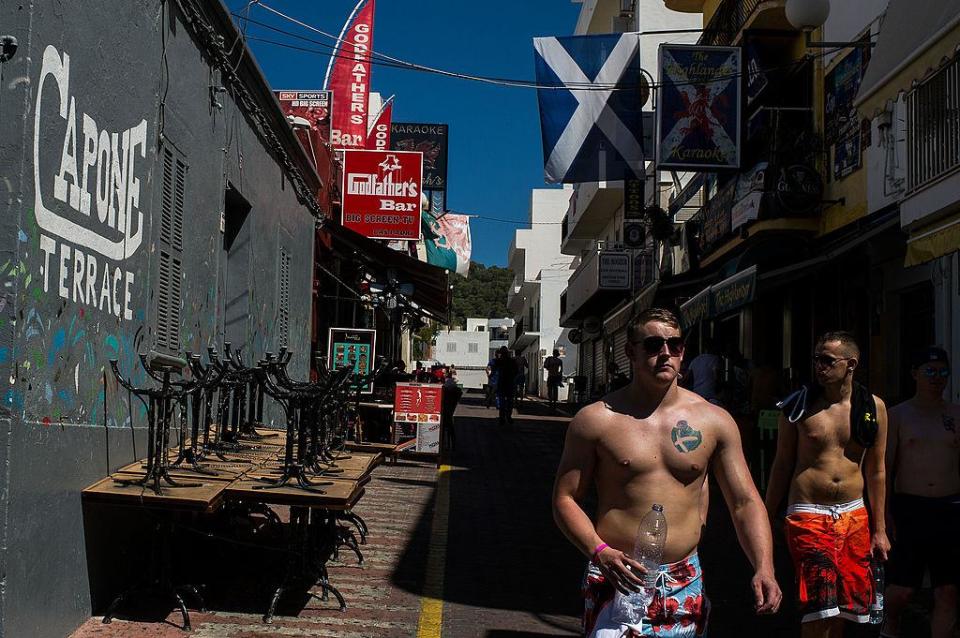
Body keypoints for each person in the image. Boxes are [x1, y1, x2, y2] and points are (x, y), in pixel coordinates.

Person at [554, 308, 781, 637]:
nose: (665, 353)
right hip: (617, 577)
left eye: (674, 345)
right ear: (630, 351)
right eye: (653, 344)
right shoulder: (596, 420)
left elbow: (744, 501)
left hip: (684, 580)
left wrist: (764, 566)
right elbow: (564, 498)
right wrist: (599, 551)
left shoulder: (713, 420)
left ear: (683, 352)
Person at [765, 331, 889, 637]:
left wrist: (880, 528)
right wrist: (765, 515)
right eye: (816, 359)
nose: (819, 366)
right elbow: (781, 464)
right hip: (809, 513)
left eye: (827, 360)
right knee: (817, 608)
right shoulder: (798, 406)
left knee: (846, 607)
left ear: (851, 364)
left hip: (854, 515)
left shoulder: (873, 407)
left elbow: (876, 470)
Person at [883, 347, 960, 638]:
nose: (937, 378)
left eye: (943, 372)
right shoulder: (898, 415)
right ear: (915, 374)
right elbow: (884, 470)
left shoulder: (955, 414)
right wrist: (884, 514)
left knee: (948, 590)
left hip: (951, 508)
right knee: (902, 590)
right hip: (910, 509)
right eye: (930, 371)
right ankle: (890, 623)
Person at [682, 336, 722, 405]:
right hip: (711, 397)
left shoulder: (696, 359)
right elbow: (716, 377)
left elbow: (686, 378)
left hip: (696, 396)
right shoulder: (715, 359)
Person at [494, 346, 519, 426]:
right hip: (510, 383)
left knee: (502, 402)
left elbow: (495, 369)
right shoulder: (512, 361)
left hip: (502, 383)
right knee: (509, 401)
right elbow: (516, 371)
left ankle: (502, 417)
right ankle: (508, 416)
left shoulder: (499, 361)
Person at [441, 369, 463, 452]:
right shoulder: (449, 382)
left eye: (443, 373)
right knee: (449, 427)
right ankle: (451, 444)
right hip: (449, 409)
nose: (442, 374)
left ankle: (442, 445)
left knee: (444, 425)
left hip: (447, 409)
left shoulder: (448, 383)